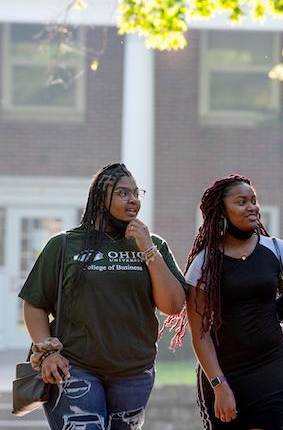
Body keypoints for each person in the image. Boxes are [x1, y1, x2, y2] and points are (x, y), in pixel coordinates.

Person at [18, 163, 187, 430]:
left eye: (136, 192)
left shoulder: (152, 244)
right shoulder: (64, 245)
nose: (133, 199)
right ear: (99, 200)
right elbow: (35, 304)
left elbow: (174, 305)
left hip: (134, 372)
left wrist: (148, 249)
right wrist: (47, 352)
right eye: (122, 193)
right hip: (75, 368)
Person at [168, 174, 283, 430]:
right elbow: (200, 334)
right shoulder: (205, 263)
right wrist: (219, 386)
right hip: (224, 373)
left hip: (271, 367)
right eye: (242, 202)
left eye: (254, 200)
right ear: (222, 211)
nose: (252, 207)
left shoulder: (277, 251)